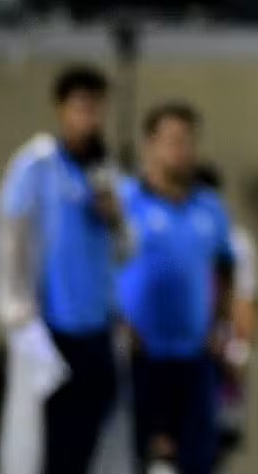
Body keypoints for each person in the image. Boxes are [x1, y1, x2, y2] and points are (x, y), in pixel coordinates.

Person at [0, 65, 127, 474]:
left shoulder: (104, 171)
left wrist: (115, 216)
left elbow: (128, 249)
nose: (89, 118)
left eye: (96, 108)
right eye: (81, 107)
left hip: (97, 326)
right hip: (51, 327)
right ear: (61, 109)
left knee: (92, 436)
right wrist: (15, 308)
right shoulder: (37, 165)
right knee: (49, 442)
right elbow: (11, 237)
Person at [117, 103, 236, 474]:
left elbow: (226, 265)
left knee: (198, 460)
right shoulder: (125, 201)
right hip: (140, 356)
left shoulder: (209, 207)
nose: (181, 150)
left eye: (187, 141)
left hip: (193, 356)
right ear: (150, 146)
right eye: (172, 141)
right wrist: (118, 323)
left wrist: (219, 325)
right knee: (139, 457)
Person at [193, 163, 258, 465]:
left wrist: (239, 353)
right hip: (175, 353)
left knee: (214, 445)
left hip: (218, 357)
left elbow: (244, 302)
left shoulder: (235, 242)